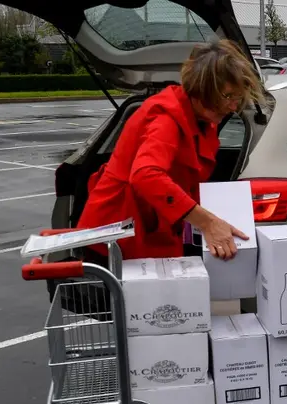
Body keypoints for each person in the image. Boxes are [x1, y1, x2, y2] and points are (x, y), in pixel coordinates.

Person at [75, 39, 264, 261]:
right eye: (228, 96)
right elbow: (145, 175)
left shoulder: (204, 120)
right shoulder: (166, 118)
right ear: (202, 89)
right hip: (115, 238)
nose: (233, 106)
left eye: (238, 97)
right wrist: (208, 223)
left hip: (150, 229)